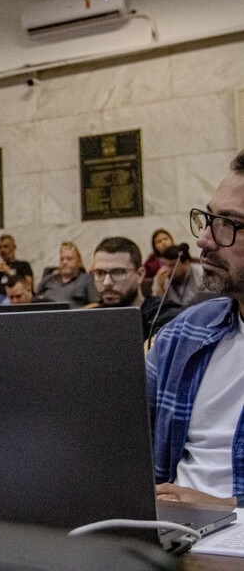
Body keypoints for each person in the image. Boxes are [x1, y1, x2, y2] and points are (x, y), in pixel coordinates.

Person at [147, 150, 244, 508]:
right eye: (208, 219)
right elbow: (118, 436)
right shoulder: (182, 334)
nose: (204, 240)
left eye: (228, 225)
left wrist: (224, 507)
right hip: (168, 526)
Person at [91, 237, 182, 341]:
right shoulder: (89, 319)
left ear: (140, 274)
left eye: (118, 272)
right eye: (99, 273)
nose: (107, 282)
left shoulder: (164, 316)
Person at [35, 242, 99, 308]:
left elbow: (95, 304)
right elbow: (34, 301)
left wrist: (77, 312)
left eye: (69, 259)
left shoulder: (87, 279)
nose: (64, 262)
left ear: (78, 262)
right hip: (47, 313)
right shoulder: (48, 279)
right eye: (62, 259)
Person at [152, 243, 205, 307]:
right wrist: (160, 287)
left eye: (172, 265)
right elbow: (157, 307)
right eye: (164, 264)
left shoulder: (201, 273)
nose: (167, 270)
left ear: (186, 263)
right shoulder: (161, 277)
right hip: (172, 312)